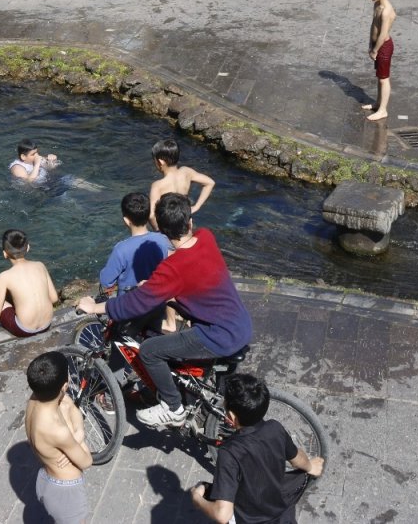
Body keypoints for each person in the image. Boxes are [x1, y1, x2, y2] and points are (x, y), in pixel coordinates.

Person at [78, 194, 252, 427]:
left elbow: (131, 305)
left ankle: (173, 408)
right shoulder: (206, 237)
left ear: (161, 229)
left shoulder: (172, 269)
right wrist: (153, 289)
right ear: (190, 222)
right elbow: (193, 279)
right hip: (240, 323)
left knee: (150, 350)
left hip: (218, 334)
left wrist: (94, 306)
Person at [189, 373, 325, 524]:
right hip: (280, 512)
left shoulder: (229, 453)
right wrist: (310, 466)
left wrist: (196, 498)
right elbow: (297, 458)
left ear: (232, 417)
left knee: (207, 490)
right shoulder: (275, 428)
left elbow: (223, 515)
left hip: (247, 519)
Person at [25, 351, 92, 524]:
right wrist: (80, 437)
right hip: (66, 493)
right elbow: (86, 461)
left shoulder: (35, 398)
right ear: (64, 386)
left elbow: (70, 405)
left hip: (46, 478)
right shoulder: (57, 431)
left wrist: (76, 435)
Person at [0, 229, 57, 337]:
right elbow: (54, 298)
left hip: (24, 329)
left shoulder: (4, 276)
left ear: (5, 254)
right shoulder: (40, 265)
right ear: (28, 247)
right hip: (46, 324)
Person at [99, 192, 171, 296]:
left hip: (129, 304)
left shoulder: (121, 249)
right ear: (148, 216)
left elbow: (106, 281)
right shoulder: (163, 240)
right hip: (157, 299)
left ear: (126, 220)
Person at [148, 138, 216, 226]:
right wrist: (196, 207)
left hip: (168, 226)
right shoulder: (186, 172)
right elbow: (210, 183)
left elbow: (151, 215)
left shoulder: (157, 185)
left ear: (160, 162)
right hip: (185, 221)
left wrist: (159, 232)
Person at [364, 0, 396, 122]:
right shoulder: (377, 5)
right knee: (380, 77)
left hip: (384, 47)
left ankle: (383, 110)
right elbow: (373, 25)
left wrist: (375, 50)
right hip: (376, 45)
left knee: (384, 79)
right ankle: (378, 103)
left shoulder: (387, 11)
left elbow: (383, 34)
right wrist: (370, 44)